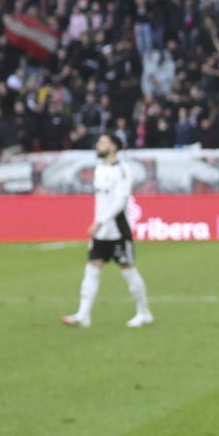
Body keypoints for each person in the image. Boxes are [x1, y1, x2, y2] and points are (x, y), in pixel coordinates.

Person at [60, 133, 153, 330]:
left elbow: (120, 201)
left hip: (117, 230)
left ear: (113, 147)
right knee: (91, 269)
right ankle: (83, 315)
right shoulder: (99, 169)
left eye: (102, 142)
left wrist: (100, 222)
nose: (98, 145)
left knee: (128, 271)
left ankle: (144, 313)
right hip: (100, 232)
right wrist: (98, 224)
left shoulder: (122, 170)